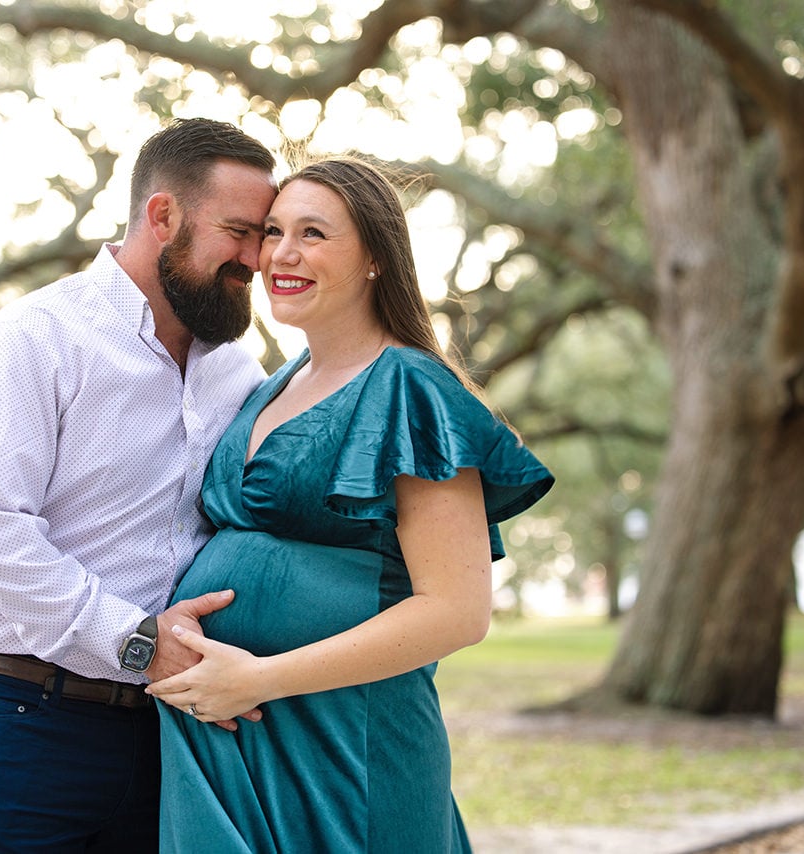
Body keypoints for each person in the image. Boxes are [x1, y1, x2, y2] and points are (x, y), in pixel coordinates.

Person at [146, 156, 555, 853]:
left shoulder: (408, 388)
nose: (282, 253)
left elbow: (457, 611)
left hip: (344, 743)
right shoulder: (271, 385)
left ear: (374, 258)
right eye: (273, 231)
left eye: (314, 233)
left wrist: (260, 677)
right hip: (235, 741)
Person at [0, 118, 277, 852]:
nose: (257, 259)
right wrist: (139, 642)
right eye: (240, 232)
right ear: (163, 216)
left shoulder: (241, 374)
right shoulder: (32, 341)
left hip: (172, 737)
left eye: (265, 236)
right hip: (21, 723)